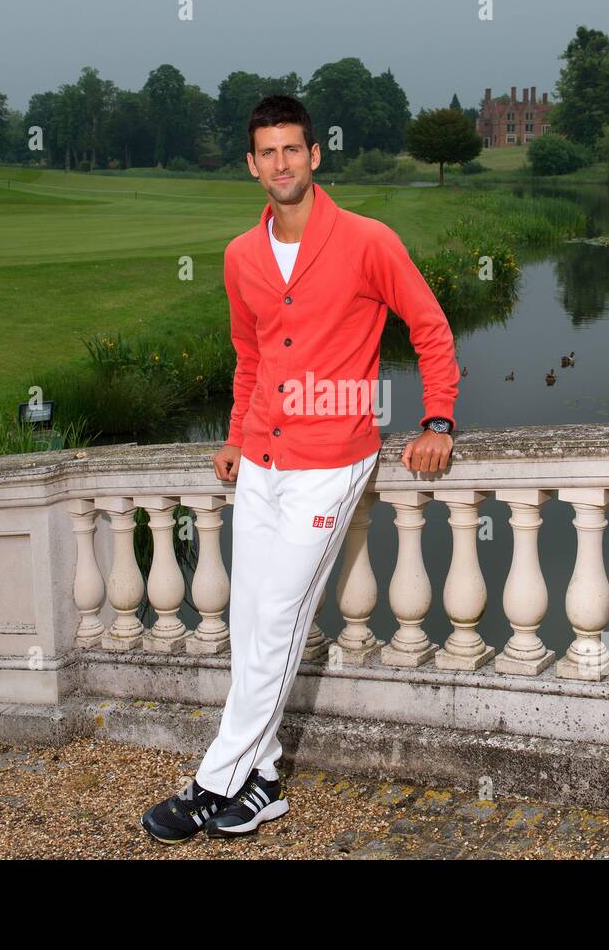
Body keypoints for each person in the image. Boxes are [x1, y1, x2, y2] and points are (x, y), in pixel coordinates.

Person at [141, 94, 459, 843]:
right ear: (252, 165)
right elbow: (250, 357)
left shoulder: (367, 240)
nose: (282, 163)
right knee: (252, 624)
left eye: (294, 149)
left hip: (331, 461)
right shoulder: (240, 256)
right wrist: (232, 433)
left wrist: (438, 417)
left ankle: (211, 781)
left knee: (280, 620)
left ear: (316, 155)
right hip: (260, 459)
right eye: (267, 152)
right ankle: (263, 779)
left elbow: (430, 325)